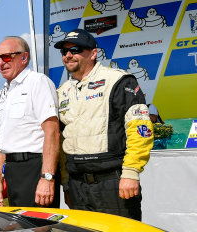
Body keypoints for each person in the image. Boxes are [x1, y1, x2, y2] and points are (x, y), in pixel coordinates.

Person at [54, 28, 153, 221]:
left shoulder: (118, 80)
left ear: (93, 53)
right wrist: (66, 182)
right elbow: (61, 140)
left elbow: (140, 130)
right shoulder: (62, 91)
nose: (68, 55)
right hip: (77, 186)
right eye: (64, 51)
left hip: (112, 181)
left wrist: (131, 173)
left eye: (75, 49)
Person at [0, 36, 60, 208]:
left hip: (35, 169)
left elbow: (52, 132)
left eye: (6, 57)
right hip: (13, 171)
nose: (1, 62)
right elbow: (3, 141)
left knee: (39, 227)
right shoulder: (3, 93)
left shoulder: (38, 82)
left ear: (24, 57)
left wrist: (47, 177)